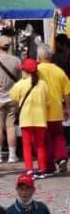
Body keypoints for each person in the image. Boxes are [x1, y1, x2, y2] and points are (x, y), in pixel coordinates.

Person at [35, 44, 70, 174]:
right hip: (56, 109)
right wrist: (67, 108)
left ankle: (48, 165)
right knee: (58, 135)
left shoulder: (36, 71)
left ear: (40, 56)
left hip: (40, 110)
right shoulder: (59, 71)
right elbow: (67, 92)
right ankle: (61, 157)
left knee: (44, 139)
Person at [0, 34, 21, 166]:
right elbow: (20, 79)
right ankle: (12, 155)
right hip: (13, 97)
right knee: (10, 127)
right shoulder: (16, 61)